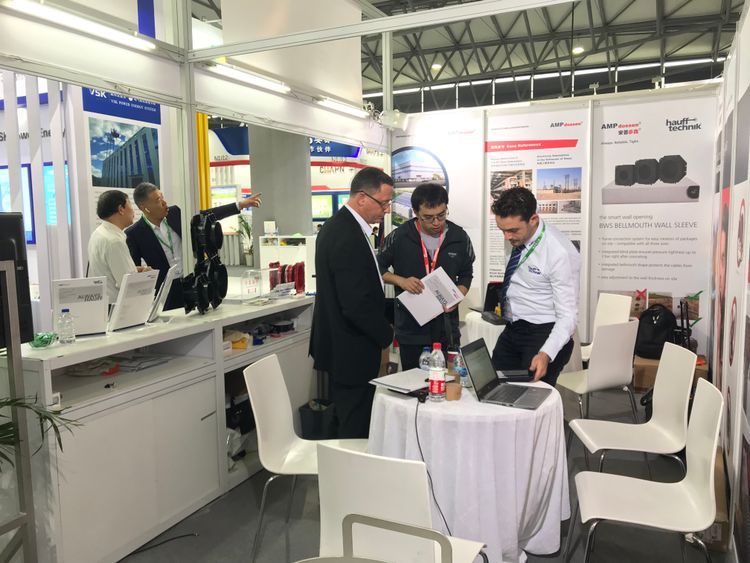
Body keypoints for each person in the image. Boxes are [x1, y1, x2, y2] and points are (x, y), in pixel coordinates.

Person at [309, 167, 394, 438]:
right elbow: (355, 303)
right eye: (383, 203)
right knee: (354, 424)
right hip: (350, 346)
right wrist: (386, 333)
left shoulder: (342, 227)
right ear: (362, 198)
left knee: (348, 417)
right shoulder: (346, 234)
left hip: (345, 344)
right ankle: (349, 465)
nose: (386, 210)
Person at [377, 182, 475, 369]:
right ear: (415, 212)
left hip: (446, 328)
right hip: (411, 327)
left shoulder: (459, 237)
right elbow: (376, 267)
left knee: (446, 381)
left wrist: (458, 295)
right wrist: (400, 281)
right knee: (413, 381)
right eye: (428, 218)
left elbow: (466, 274)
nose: (436, 223)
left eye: (441, 215)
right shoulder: (399, 236)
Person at [490, 187, 579, 386]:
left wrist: (545, 353)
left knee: (532, 397)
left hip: (544, 332)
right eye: (502, 230)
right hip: (514, 328)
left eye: (513, 230)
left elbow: (568, 316)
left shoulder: (560, 252)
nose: (506, 237)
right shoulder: (515, 237)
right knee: (494, 387)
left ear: (533, 219)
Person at [126, 182, 261, 310]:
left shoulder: (175, 214)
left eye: (162, 197)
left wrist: (239, 205)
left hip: (192, 282)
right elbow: (134, 272)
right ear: (144, 207)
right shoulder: (134, 234)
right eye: (157, 200)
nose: (164, 203)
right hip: (166, 293)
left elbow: (206, 215)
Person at [88, 190, 146, 304]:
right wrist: (147, 275)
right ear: (121, 209)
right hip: (118, 306)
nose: (133, 210)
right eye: (130, 205)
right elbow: (128, 284)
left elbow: (109, 270)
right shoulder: (114, 241)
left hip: (104, 304)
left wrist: (135, 270)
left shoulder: (98, 233)